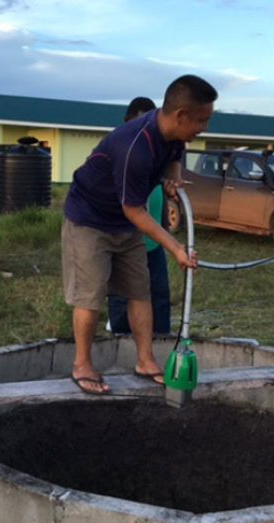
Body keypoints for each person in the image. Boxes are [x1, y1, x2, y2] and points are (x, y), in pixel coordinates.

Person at [62, 75, 217, 394]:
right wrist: (176, 248)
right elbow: (135, 210)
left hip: (124, 221)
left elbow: (175, 155)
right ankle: (82, 364)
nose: (204, 127)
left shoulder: (173, 134)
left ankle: (145, 360)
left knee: (139, 290)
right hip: (90, 219)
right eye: (201, 120)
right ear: (180, 115)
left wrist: (173, 178)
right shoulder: (134, 146)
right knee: (90, 295)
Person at [107, 96, 172, 336]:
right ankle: (121, 344)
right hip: (124, 240)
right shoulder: (121, 149)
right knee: (123, 297)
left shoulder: (157, 151)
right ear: (128, 121)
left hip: (153, 242)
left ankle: (161, 343)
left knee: (159, 296)